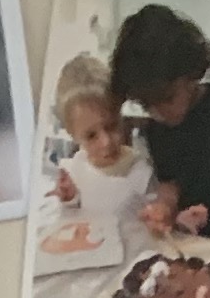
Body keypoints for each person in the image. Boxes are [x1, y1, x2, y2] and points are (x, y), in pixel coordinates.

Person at [109, 4, 210, 250]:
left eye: (167, 99)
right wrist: (163, 206)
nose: (158, 113)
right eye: (146, 104)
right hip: (190, 236)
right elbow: (169, 183)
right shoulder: (156, 129)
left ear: (190, 74)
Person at [34, 55, 154, 262]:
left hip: (131, 264)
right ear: (72, 134)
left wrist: (169, 216)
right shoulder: (73, 170)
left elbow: (159, 224)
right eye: (91, 135)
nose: (106, 142)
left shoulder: (141, 171)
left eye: (111, 126)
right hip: (88, 264)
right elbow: (72, 224)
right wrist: (69, 200)